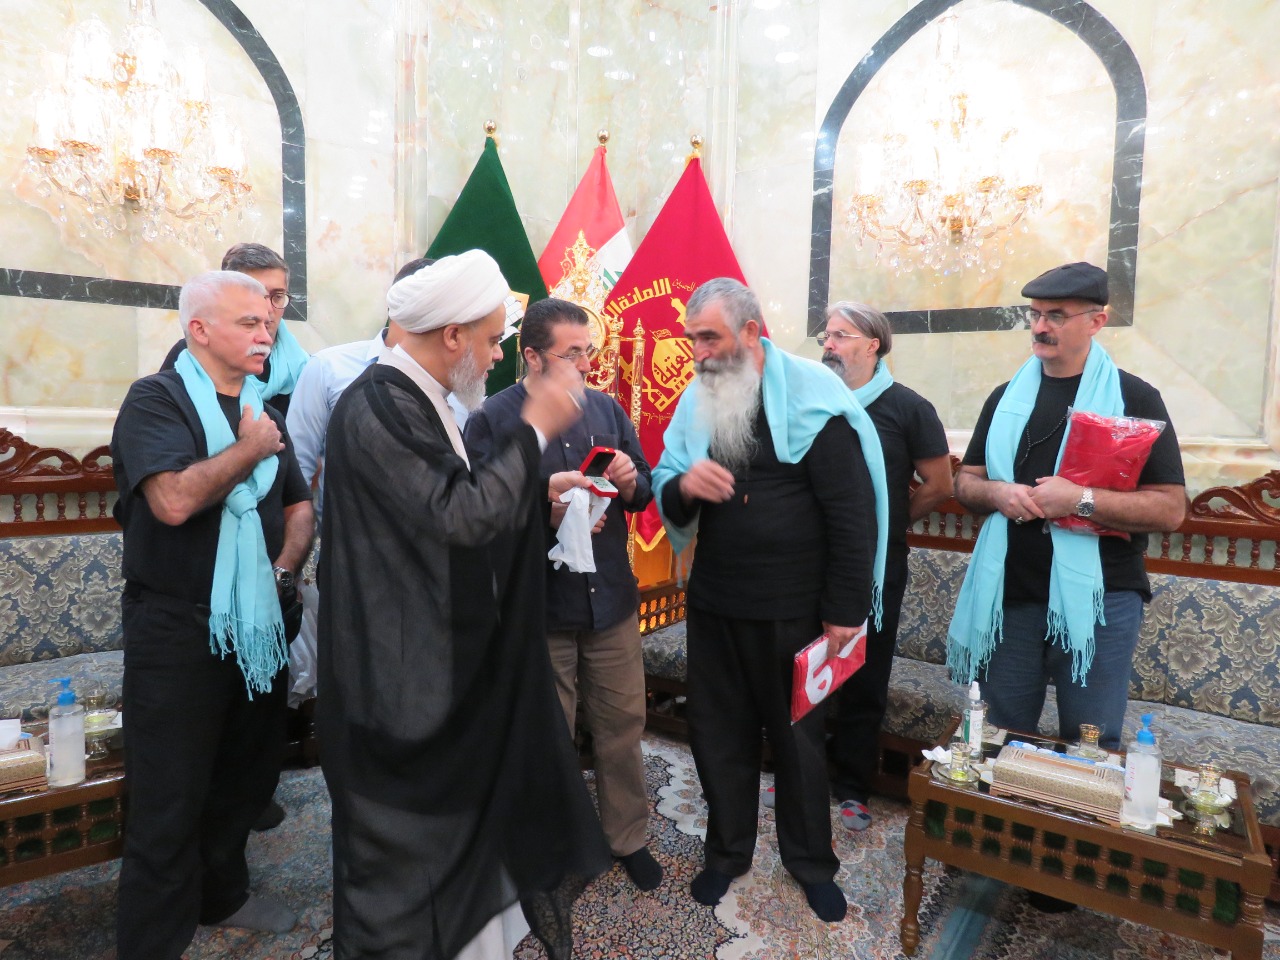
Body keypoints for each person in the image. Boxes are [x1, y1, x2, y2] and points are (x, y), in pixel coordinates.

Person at [317, 251, 611, 960]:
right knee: (411, 854)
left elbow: (437, 513)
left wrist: (535, 491)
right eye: (489, 338)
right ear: (452, 336)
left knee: (465, 830)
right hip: (400, 679)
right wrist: (534, 427)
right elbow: (457, 517)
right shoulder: (379, 403)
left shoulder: (417, 399)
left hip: (432, 657)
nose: (496, 355)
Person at [651, 277, 889, 923]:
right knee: (717, 736)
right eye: (692, 338)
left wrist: (845, 611)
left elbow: (851, 515)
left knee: (799, 746)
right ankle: (726, 854)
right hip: (715, 604)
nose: (698, 353)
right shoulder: (698, 399)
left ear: (752, 332)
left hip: (795, 610)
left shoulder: (816, 398)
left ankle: (811, 864)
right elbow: (667, 484)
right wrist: (686, 488)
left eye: (709, 338)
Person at [110, 270, 314, 959]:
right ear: (199, 329)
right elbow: (172, 501)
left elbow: (298, 504)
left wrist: (282, 571)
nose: (267, 333)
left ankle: (221, 894)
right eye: (249, 323)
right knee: (168, 796)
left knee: (245, 777)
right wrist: (249, 450)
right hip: (177, 629)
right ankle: (152, 942)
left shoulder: (263, 407)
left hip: (260, 626)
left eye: (269, 321)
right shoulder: (156, 399)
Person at [465, 298, 662, 892]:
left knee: (623, 724)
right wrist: (542, 509)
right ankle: (552, 843)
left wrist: (630, 481)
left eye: (588, 351)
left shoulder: (606, 408)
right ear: (532, 356)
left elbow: (643, 489)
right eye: (571, 352)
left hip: (610, 602)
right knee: (548, 734)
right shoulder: (493, 419)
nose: (585, 363)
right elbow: (479, 516)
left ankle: (627, 837)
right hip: (540, 607)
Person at [949, 262, 1185, 754]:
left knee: (1090, 747)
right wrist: (998, 494)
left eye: (1056, 315)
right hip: (1009, 596)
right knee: (997, 739)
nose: (1040, 327)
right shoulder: (1004, 398)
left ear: (1096, 321)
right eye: (1034, 314)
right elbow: (966, 483)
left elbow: (1170, 509)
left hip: (1101, 600)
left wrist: (1079, 500)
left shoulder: (1134, 397)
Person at [818, 301, 951, 832]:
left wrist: (889, 524)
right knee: (808, 667)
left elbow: (939, 484)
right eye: (827, 335)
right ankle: (803, 770)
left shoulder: (908, 408)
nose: (829, 344)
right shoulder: (815, 399)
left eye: (841, 335)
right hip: (813, 561)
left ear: (873, 344)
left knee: (864, 674)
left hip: (877, 567)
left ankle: (852, 785)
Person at [161, 242, 308, 418]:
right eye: (257, 295)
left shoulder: (303, 365)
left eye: (277, 296)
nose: (268, 308)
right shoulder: (191, 354)